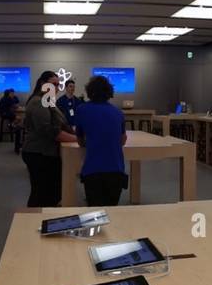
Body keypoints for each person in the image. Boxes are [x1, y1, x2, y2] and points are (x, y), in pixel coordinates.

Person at [68, 75, 130, 205]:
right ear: (109, 92)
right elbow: (123, 140)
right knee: (112, 211)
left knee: (95, 212)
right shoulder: (118, 112)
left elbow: (80, 139)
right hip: (116, 170)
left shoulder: (82, 110)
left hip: (93, 170)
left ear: (89, 91)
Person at [19, 73, 69, 207]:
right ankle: (32, 222)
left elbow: (61, 124)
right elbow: (49, 130)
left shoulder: (48, 101)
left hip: (47, 153)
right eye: (53, 84)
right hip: (38, 153)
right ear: (42, 84)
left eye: (58, 85)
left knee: (50, 193)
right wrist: (76, 138)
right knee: (41, 193)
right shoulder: (38, 102)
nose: (56, 88)